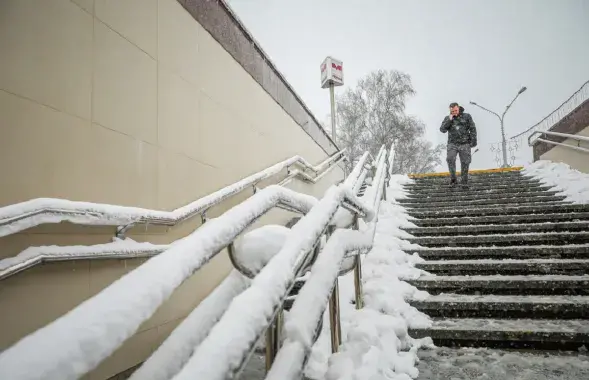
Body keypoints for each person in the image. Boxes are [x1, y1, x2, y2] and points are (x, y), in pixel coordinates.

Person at [440, 102, 477, 188]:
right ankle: (453, 179)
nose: (454, 112)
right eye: (452, 111)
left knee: (465, 162)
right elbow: (442, 130)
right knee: (450, 159)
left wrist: (473, 140)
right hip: (452, 143)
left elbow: (472, 128)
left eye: (456, 110)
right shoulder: (448, 118)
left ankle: (464, 181)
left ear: (459, 108)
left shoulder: (467, 116)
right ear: (450, 110)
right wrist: (449, 119)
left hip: (465, 143)